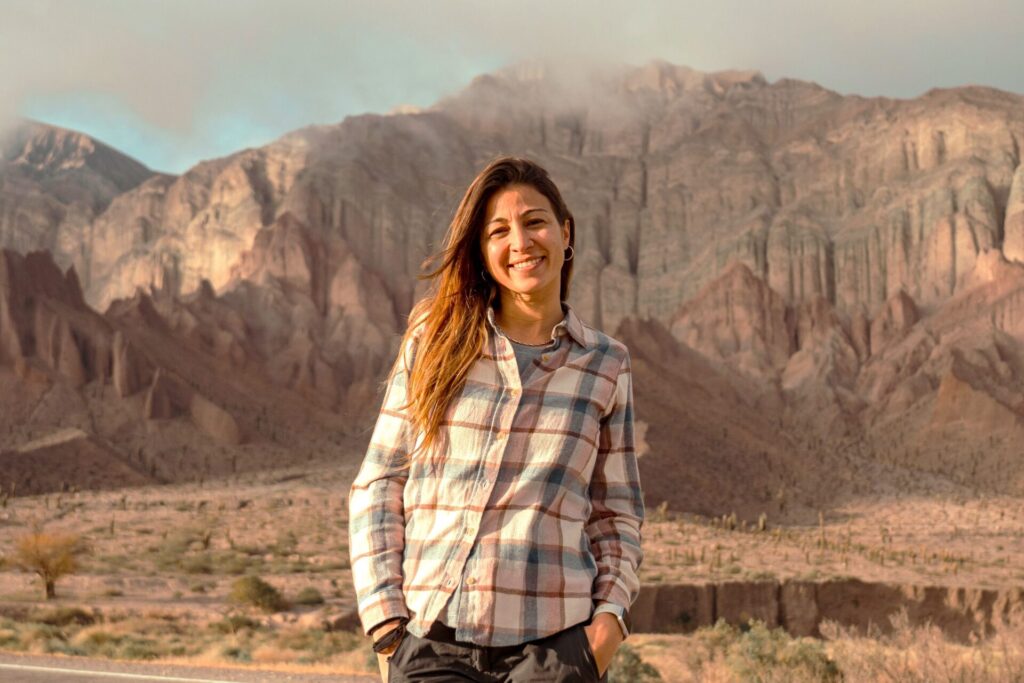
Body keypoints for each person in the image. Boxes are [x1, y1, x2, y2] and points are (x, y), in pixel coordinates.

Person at [349, 156, 644, 682]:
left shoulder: (606, 363)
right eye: (499, 231)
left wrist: (607, 629)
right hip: (432, 642)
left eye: (535, 222)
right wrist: (387, 626)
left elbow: (615, 514)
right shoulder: (434, 341)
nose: (521, 242)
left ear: (565, 233)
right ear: (482, 253)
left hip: (555, 653)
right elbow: (380, 483)